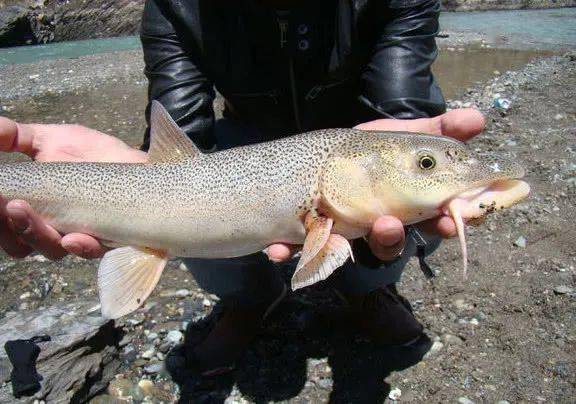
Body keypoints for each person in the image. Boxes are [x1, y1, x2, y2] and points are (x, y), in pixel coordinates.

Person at [0, 0, 485, 381]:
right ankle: (247, 299)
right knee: (196, 221)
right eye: (426, 163)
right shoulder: (178, 3)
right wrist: (152, 169)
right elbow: (182, 121)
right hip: (238, 145)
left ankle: (367, 290)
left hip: (355, 130)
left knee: (411, 218)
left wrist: (418, 152)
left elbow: (402, 111)